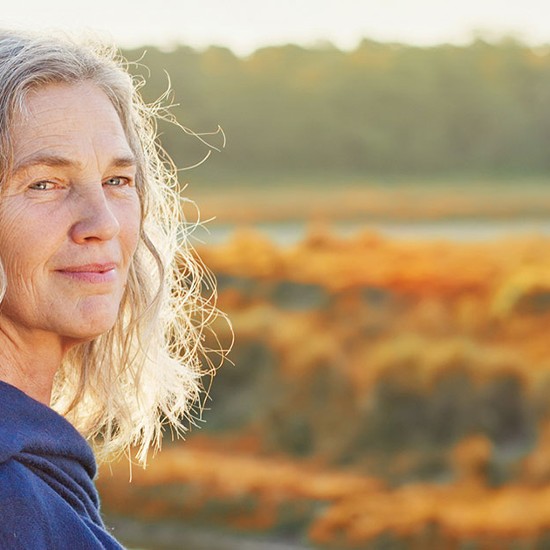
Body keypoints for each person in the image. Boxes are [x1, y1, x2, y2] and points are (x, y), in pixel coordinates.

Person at [0, 30, 223, 548]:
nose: (101, 222)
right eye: (44, 184)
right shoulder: (13, 500)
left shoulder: (35, 469)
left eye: (118, 181)